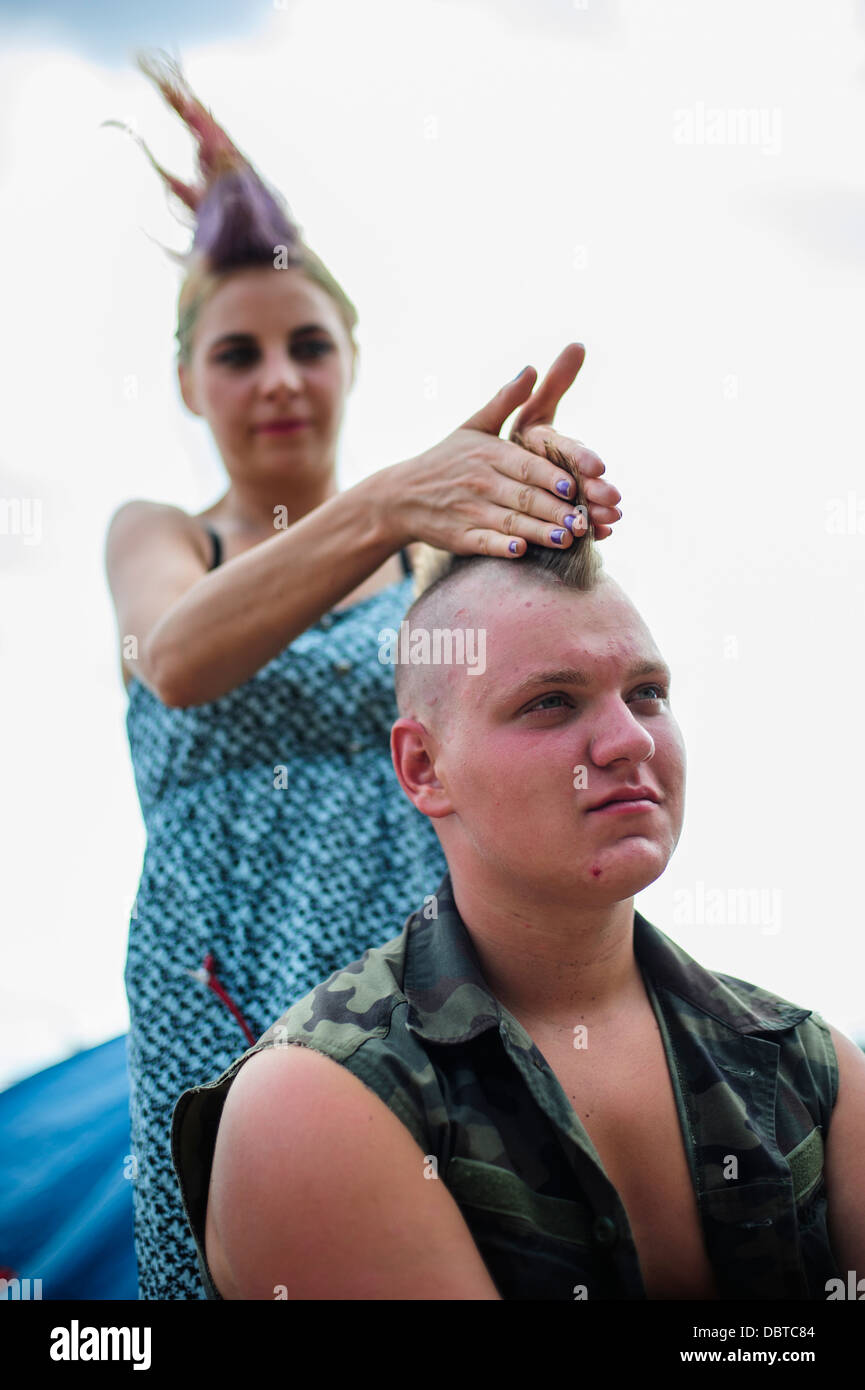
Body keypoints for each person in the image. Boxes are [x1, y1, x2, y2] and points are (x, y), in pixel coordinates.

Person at [100, 50, 623, 1301]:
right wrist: (394, 495)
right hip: (215, 975)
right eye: (237, 354)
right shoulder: (164, 534)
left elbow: (548, 659)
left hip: (425, 973)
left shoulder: (425, 549)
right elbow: (172, 659)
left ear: (349, 357)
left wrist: (549, 503)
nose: (278, 377)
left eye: (306, 344)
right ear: (188, 381)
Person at [170, 447, 865, 1300]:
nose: (628, 741)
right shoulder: (322, 1096)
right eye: (551, 702)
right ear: (423, 768)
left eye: (647, 692)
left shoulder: (807, 1062)